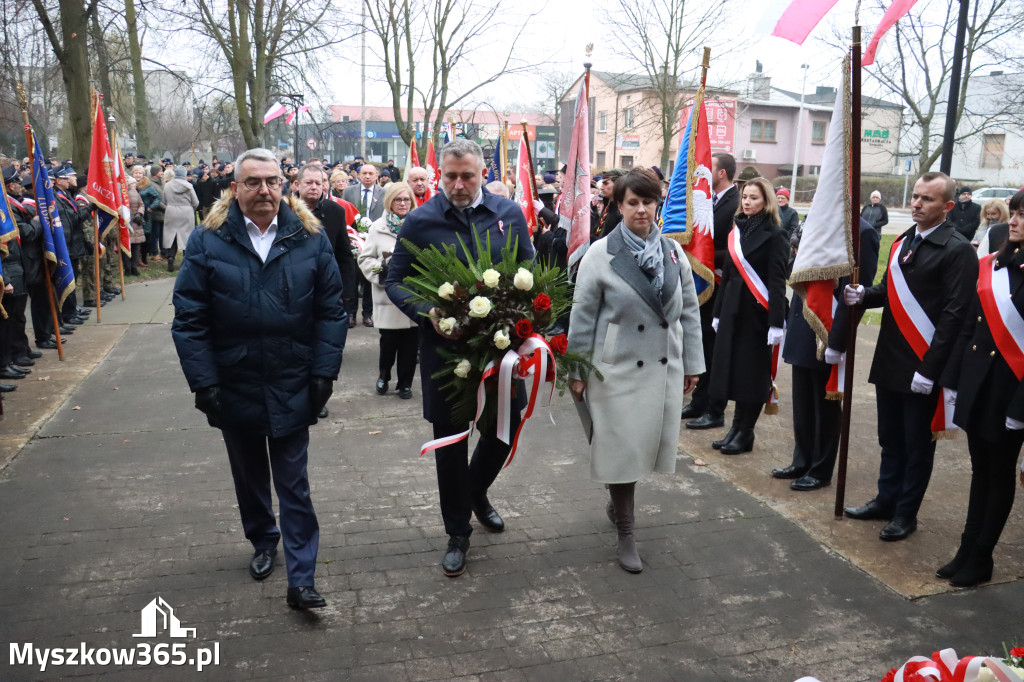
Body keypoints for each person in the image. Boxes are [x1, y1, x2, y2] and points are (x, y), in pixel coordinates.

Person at [171, 148, 346, 609]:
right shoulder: (208, 241)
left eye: (271, 181)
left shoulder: (309, 236)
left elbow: (331, 309)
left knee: (294, 480)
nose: (263, 190)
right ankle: (263, 539)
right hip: (234, 379)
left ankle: (302, 577)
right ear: (235, 188)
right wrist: (203, 381)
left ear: (283, 186)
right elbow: (189, 317)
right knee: (249, 475)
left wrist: (325, 371)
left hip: (293, 376)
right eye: (252, 182)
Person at [385, 139, 534, 577]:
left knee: (504, 428)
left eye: (467, 175)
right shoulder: (420, 220)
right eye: (450, 176)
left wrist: (525, 319)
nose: (458, 184)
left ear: (483, 173)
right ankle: (457, 532)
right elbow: (396, 279)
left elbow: (528, 270)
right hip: (445, 353)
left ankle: (475, 492)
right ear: (439, 175)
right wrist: (425, 311)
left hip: (499, 351)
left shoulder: (508, 215)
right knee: (450, 444)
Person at [567, 168, 704, 573]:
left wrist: (693, 363)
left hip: (663, 366)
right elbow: (583, 313)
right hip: (615, 369)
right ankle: (626, 531)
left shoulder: (673, 252)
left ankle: (617, 501)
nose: (641, 209)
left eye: (648, 202)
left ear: (657, 204)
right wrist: (576, 369)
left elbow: (689, 312)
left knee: (640, 446)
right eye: (632, 202)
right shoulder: (600, 253)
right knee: (622, 447)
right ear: (619, 206)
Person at [843, 172, 978, 541]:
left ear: (948, 206)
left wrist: (931, 370)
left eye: (927, 199)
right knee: (890, 439)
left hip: (923, 365)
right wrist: (863, 295)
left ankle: (906, 513)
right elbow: (890, 290)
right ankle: (885, 500)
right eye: (916, 196)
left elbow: (955, 316)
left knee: (917, 445)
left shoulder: (958, 250)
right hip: (891, 357)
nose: (917, 204)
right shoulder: (904, 240)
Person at [936, 189, 1024, 587]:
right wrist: (953, 379)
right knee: (979, 471)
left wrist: (1021, 407)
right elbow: (970, 324)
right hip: (979, 382)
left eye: (1023, 215)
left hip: (1011, 391)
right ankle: (967, 549)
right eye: (1016, 213)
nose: (1016, 221)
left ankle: (982, 556)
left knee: (999, 473)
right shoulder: (993, 265)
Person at [772, 217, 880, 490]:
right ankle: (802, 459)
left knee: (825, 404)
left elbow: (857, 290)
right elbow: (794, 274)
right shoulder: (817, 221)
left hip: (830, 326)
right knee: (803, 401)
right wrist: (795, 250)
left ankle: (821, 469)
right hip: (804, 318)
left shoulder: (862, 232)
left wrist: (839, 340)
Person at [708, 177, 790, 455]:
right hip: (732, 311)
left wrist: (776, 322)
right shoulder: (736, 231)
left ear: (766, 201)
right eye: (745, 197)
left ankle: (746, 433)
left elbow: (778, 280)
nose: (747, 202)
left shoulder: (776, 234)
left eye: (754, 197)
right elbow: (728, 276)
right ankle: (735, 428)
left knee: (751, 376)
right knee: (734, 373)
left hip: (757, 315)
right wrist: (718, 312)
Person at [683, 152, 739, 431]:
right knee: (702, 343)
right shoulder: (710, 200)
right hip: (704, 283)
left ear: (722, 174)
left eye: (710, 168)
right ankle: (699, 400)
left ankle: (714, 408)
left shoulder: (737, 203)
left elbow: (735, 251)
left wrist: (702, 257)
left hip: (721, 285)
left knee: (716, 348)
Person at [358, 182, 419, 400]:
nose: (403, 204)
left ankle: (405, 383)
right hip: (388, 296)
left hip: (413, 295)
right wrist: (381, 273)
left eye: (406, 199)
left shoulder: (419, 225)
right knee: (389, 342)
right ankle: (384, 375)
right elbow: (365, 258)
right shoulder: (378, 227)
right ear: (389, 202)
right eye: (398, 200)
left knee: (411, 345)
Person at [162, 166, 199, 272]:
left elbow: (164, 200)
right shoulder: (189, 186)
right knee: (186, 236)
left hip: (171, 211)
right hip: (186, 211)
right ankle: (186, 260)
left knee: (171, 235)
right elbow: (195, 202)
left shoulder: (167, 185)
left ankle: (170, 257)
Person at [590, 168, 625, 240]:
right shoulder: (608, 205)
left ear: (618, 184)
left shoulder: (622, 211)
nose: (602, 188)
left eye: (606, 183)